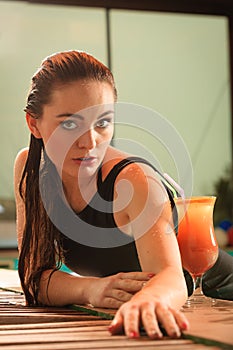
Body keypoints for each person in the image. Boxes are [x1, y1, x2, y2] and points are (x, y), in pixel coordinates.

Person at [13, 50, 232, 340]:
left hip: (217, 295)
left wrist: (147, 301)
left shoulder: (133, 179)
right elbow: (33, 276)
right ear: (34, 124)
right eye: (69, 124)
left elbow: (172, 277)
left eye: (102, 123)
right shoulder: (30, 168)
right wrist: (91, 289)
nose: (89, 142)